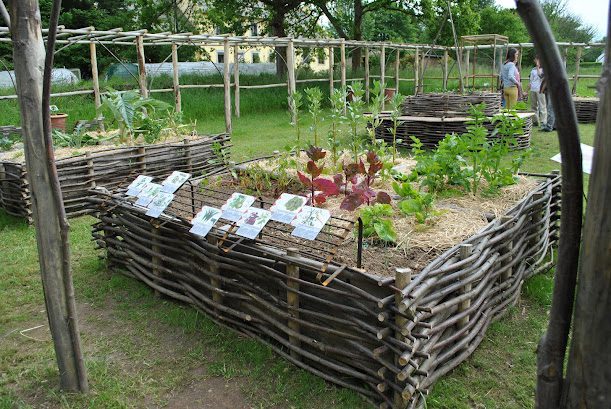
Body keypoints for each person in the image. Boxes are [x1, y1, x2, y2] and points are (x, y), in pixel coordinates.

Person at [529, 56, 547, 128]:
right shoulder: (532, 70)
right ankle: (535, 121)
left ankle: (543, 122)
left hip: (540, 90)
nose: (535, 61)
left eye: (537, 59)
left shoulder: (544, 69)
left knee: (542, 106)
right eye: (535, 59)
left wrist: (538, 67)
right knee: (533, 106)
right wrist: (527, 91)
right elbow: (531, 81)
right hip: (533, 89)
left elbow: (541, 77)